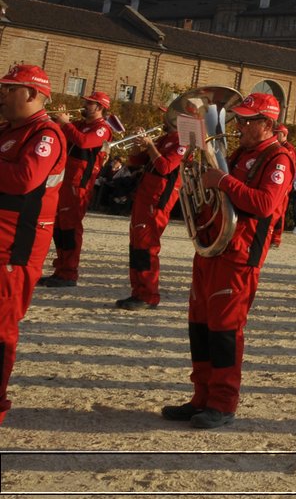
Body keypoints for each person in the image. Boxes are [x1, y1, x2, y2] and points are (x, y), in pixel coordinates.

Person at [159, 91, 293, 430]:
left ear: (268, 124)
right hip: (212, 246)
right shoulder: (240, 152)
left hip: (239, 254)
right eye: (241, 119)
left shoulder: (278, 158)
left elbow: (264, 204)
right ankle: (200, 397)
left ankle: (222, 403)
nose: (241, 126)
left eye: (249, 121)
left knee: (225, 332)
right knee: (200, 328)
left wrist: (223, 181)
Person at [0, 64, 68, 423]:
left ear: (31, 93)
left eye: (10, 88)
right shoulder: (9, 130)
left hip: (14, 249)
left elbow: (25, 178)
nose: (4, 94)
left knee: (0, 330)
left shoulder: (46, 133)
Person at [39, 90, 114, 287]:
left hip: (79, 184)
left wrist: (66, 123)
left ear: (99, 108)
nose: (84, 105)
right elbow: (59, 136)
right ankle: (60, 269)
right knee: (59, 227)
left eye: (89, 103)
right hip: (65, 180)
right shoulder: (81, 125)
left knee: (70, 229)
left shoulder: (102, 128)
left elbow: (83, 141)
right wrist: (56, 121)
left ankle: (69, 273)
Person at [118, 117, 188, 309]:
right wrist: (137, 142)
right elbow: (133, 161)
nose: (162, 119)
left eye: (167, 115)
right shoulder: (163, 139)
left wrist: (150, 146)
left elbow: (165, 167)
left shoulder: (183, 140)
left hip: (158, 199)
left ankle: (149, 295)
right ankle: (138, 292)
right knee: (136, 245)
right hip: (144, 195)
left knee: (147, 246)